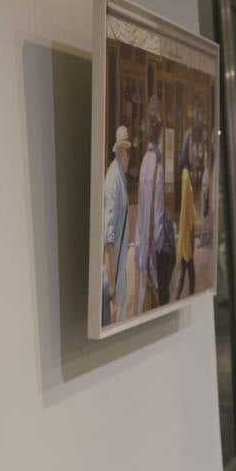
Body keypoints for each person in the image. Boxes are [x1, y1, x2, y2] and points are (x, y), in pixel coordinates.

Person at [135, 97, 165, 313]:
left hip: (141, 247)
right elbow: (159, 211)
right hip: (152, 249)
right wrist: (158, 243)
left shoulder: (145, 160)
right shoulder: (158, 166)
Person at [102, 126, 134, 326]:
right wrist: (112, 287)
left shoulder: (119, 176)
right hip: (112, 276)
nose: (129, 157)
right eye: (127, 152)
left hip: (118, 271)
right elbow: (109, 237)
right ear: (121, 152)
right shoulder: (114, 179)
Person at [174, 138, 201, 299]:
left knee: (187, 267)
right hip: (187, 231)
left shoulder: (187, 175)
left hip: (189, 230)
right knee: (187, 266)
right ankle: (183, 297)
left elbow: (189, 207)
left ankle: (183, 297)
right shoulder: (185, 176)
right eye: (190, 146)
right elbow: (184, 209)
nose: (193, 151)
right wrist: (184, 236)